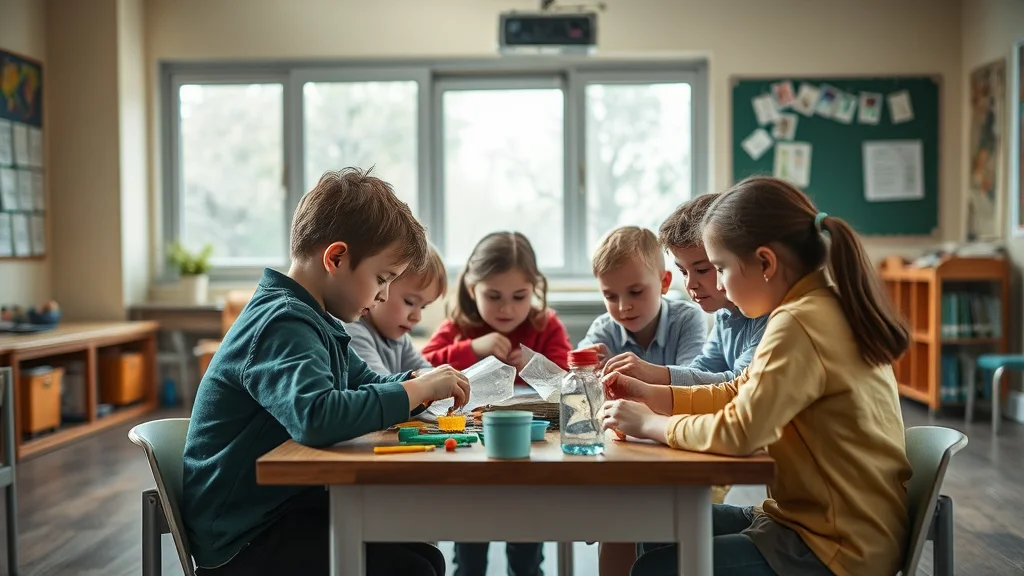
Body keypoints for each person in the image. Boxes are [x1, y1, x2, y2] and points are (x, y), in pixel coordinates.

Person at [603, 176, 912, 576]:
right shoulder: (814, 307)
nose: (719, 285)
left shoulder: (799, 323)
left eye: (720, 268)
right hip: (809, 521)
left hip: (836, 544)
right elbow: (739, 390)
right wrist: (653, 394)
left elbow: (741, 432)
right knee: (656, 525)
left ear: (765, 263)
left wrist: (651, 423)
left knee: (655, 568)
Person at [182, 168, 471, 576]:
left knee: (425, 558)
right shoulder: (282, 322)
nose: (384, 294)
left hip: (281, 509)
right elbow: (316, 416)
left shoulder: (316, 321)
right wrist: (417, 390)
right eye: (382, 279)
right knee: (412, 569)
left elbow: (367, 383)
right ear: (336, 258)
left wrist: (418, 384)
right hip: (243, 537)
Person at [595, 200, 769, 576]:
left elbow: (736, 391)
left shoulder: (777, 321)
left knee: (650, 553)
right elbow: (705, 375)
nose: (691, 284)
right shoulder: (728, 316)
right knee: (640, 522)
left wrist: (651, 391)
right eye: (683, 270)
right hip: (782, 509)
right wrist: (643, 387)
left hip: (808, 528)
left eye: (706, 269)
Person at [422, 231, 571, 576]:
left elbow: (568, 379)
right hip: (471, 457)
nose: (507, 309)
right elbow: (424, 366)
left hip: (532, 454)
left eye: (519, 296)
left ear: (534, 288)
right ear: (472, 288)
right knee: (469, 550)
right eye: (493, 296)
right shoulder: (460, 327)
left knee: (527, 551)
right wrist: (472, 349)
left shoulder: (545, 325)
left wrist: (534, 364)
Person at [577, 226, 706, 378]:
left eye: (636, 292)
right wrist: (587, 367)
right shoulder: (604, 329)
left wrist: (637, 372)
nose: (623, 307)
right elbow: (577, 371)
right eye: (610, 296)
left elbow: (693, 378)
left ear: (664, 283)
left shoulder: (687, 318)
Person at [345, 244, 447, 375]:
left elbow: (428, 373)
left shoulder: (400, 339)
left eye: (423, 307)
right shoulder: (352, 332)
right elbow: (381, 383)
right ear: (380, 285)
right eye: (410, 302)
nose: (417, 317)